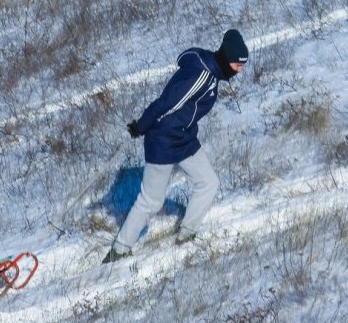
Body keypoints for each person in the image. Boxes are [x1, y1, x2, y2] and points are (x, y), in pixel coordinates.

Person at [102, 29, 249, 263]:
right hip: (163, 140)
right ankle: (118, 251)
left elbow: (186, 56)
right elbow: (167, 103)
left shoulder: (210, 69)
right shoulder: (201, 76)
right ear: (224, 58)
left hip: (185, 138)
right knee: (151, 201)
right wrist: (141, 125)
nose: (239, 70)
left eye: (242, 65)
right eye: (237, 64)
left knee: (209, 183)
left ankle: (186, 235)